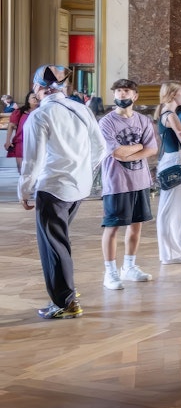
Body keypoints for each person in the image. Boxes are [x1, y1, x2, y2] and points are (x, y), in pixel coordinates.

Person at [19, 65, 105, 319]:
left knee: (53, 246)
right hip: (78, 186)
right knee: (60, 241)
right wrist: (82, 171)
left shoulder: (39, 116)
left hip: (53, 187)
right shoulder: (80, 109)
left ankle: (65, 301)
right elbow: (100, 147)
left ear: (39, 88)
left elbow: (32, 160)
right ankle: (66, 291)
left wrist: (24, 190)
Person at [98, 79, 158, 290]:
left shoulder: (143, 120)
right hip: (116, 181)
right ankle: (110, 272)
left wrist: (135, 148)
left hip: (139, 180)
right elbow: (116, 152)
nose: (122, 94)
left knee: (136, 225)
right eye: (119, 91)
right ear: (114, 95)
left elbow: (152, 149)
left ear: (135, 96)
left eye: (126, 91)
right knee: (112, 227)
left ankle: (129, 267)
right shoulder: (106, 122)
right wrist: (139, 146)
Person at [154, 81, 181, 265]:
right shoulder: (171, 116)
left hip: (170, 159)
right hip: (176, 159)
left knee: (172, 207)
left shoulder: (164, 112)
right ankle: (170, 253)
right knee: (172, 209)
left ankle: (174, 251)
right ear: (172, 95)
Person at [5, 91, 39, 172]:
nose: (36, 99)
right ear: (28, 100)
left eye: (37, 97)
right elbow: (11, 125)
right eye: (33, 97)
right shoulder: (20, 112)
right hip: (21, 142)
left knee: (36, 168)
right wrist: (8, 141)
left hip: (37, 142)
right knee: (21, 168)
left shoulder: (43, 111)